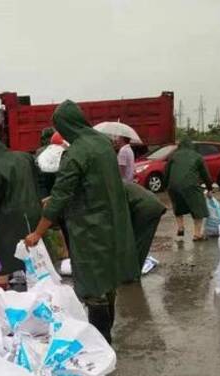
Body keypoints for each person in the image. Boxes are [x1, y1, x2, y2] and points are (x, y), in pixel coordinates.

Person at [24, 100, 139, 343]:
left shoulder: (76, 152)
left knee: (92, 286)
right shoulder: (103, 144)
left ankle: (101, 342)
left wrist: (37, 233)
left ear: (65, 125)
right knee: (108, 282)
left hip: (90, 229)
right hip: (112, 223)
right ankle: (107, 337)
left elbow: (60, 197)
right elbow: (91, 185)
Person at [0, 137, 42, 288]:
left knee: (7, 257)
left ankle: (5, 292)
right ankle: (36, 285)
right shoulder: (25, 157)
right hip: (34, 211)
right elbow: (38, 181)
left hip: (10, 218)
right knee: (34, 253)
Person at [164, 137, 213, 241]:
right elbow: (206, 175)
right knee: (199, 207)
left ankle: (181, 227)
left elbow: (166, 172)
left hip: (173, 186)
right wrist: (209, 188)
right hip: (190, 185)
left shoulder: (173, 155)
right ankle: (197, 234)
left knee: (178, 205)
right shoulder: (197, 156)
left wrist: (166, 186)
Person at [123, 181, 167, 269]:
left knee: (139, 243)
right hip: (149, 204)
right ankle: (132, 270)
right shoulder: (117, 184)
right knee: (139, 242)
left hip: (147, 208)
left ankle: (132, 272)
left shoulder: (112, 189)